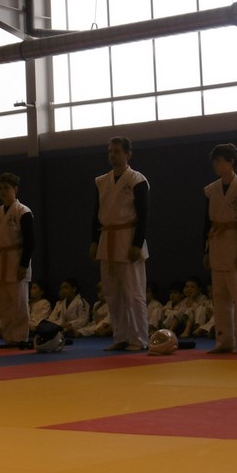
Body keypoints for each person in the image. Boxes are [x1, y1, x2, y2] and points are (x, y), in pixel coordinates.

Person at [90, 136, 150, 352]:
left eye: (116, 151)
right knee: (112, 293)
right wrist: (94, 240)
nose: (112, 155)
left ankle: (139, 338)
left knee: (133, 293)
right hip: (107, 238)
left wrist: (137, 243)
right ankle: (120, 336)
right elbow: (96, 214)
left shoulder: (137, 180)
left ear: (127, 154)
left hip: (128, 237)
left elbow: (143, 215)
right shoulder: (101, 181)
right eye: (110, 151)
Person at [202, 143, 237, 353]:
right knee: (220, 297)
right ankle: (224, 340)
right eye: (214, 161)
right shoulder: (211, 190)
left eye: (220, 161)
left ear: (231, 161)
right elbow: (206, 223)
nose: (216, 165)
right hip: (216, 244)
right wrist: (206, 251)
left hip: (235, 244)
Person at [0, 173, 34, 349]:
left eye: (6, 188)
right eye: (0, 188)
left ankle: (20, 337)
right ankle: (8, 337)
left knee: (18, 301)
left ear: (15, 189)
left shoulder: (23, 211)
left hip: (16, 257)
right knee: (3, 301)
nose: (3, 191)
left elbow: (30, 241)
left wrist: (23, 264)